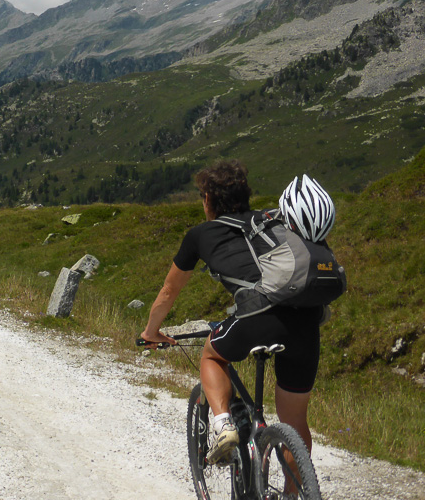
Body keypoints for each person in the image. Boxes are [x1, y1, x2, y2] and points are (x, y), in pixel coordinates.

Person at [140, 161, 336, 463]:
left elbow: (169, 291)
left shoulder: (200, 235)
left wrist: (151, 331)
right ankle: (295, 494)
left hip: (257, 315)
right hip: (306, 321)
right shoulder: (273, 221)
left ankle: (223, 425)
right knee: (296, 424)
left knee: (212, 356)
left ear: (207, 199)